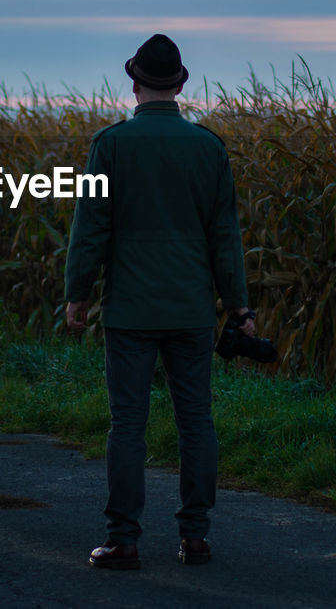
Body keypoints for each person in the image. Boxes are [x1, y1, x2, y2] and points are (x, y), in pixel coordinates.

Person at [64, 33, 254, 570]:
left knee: (128, 424)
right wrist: (239, 305)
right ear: (181, 84)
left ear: (133, 84)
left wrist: (77, 293)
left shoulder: (112, 145)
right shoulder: (208, 148)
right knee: (197, 421)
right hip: (191, 310)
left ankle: (123, 540)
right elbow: (225, 235)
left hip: (129, 310)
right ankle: (196, 538)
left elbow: (91, 227)